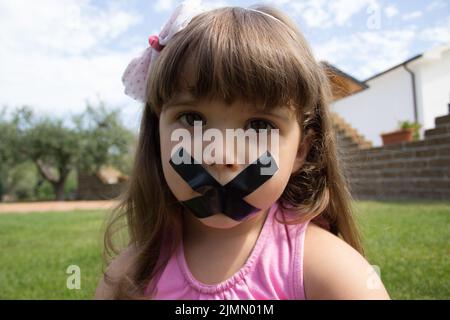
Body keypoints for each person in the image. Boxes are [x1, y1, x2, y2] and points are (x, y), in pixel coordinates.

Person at [95, 1, 390, 300]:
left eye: (260, 125)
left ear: (301, 150)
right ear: (157, 137)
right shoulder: (128, 279)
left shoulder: (332, 275)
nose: (220, 156)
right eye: (192, 119)